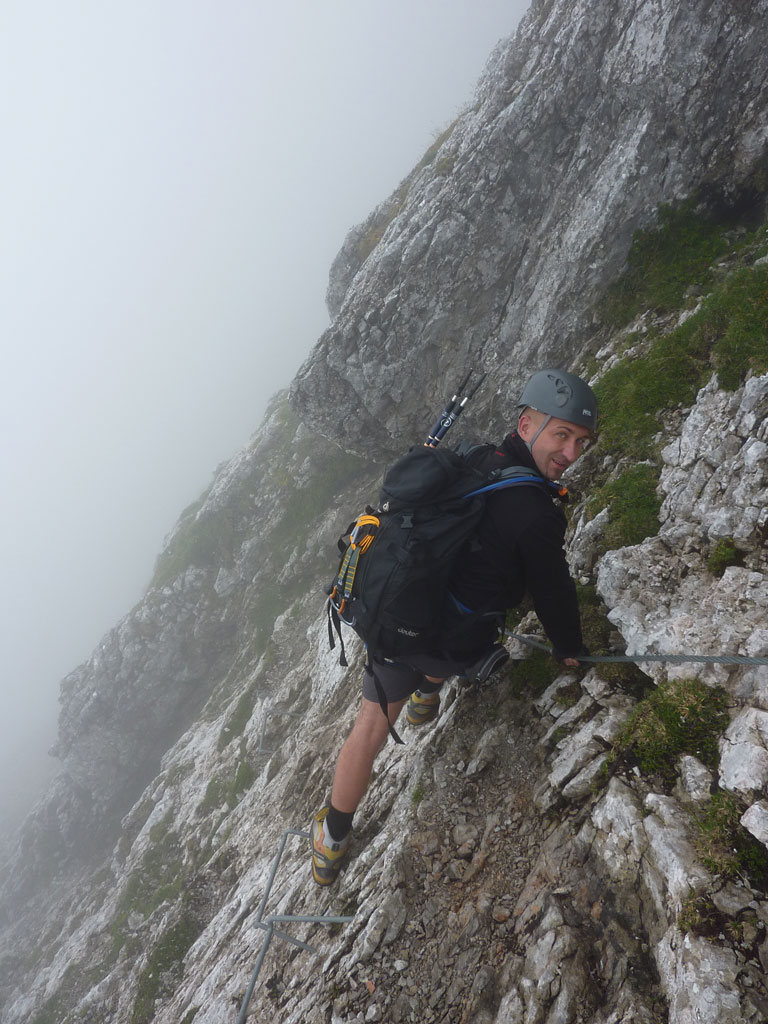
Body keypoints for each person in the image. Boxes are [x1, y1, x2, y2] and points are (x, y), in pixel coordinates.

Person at [310, 369, 597, 885]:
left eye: (580, 441)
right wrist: (569, 648)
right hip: (453, 648)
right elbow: (553, 592)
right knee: (462, 628)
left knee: (370, 727)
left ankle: (330, 844)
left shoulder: (475, 458)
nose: (571, 453)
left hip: (397, 624)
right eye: (562, 435)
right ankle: (427, 697)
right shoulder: (536, 511)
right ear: (527, 423)